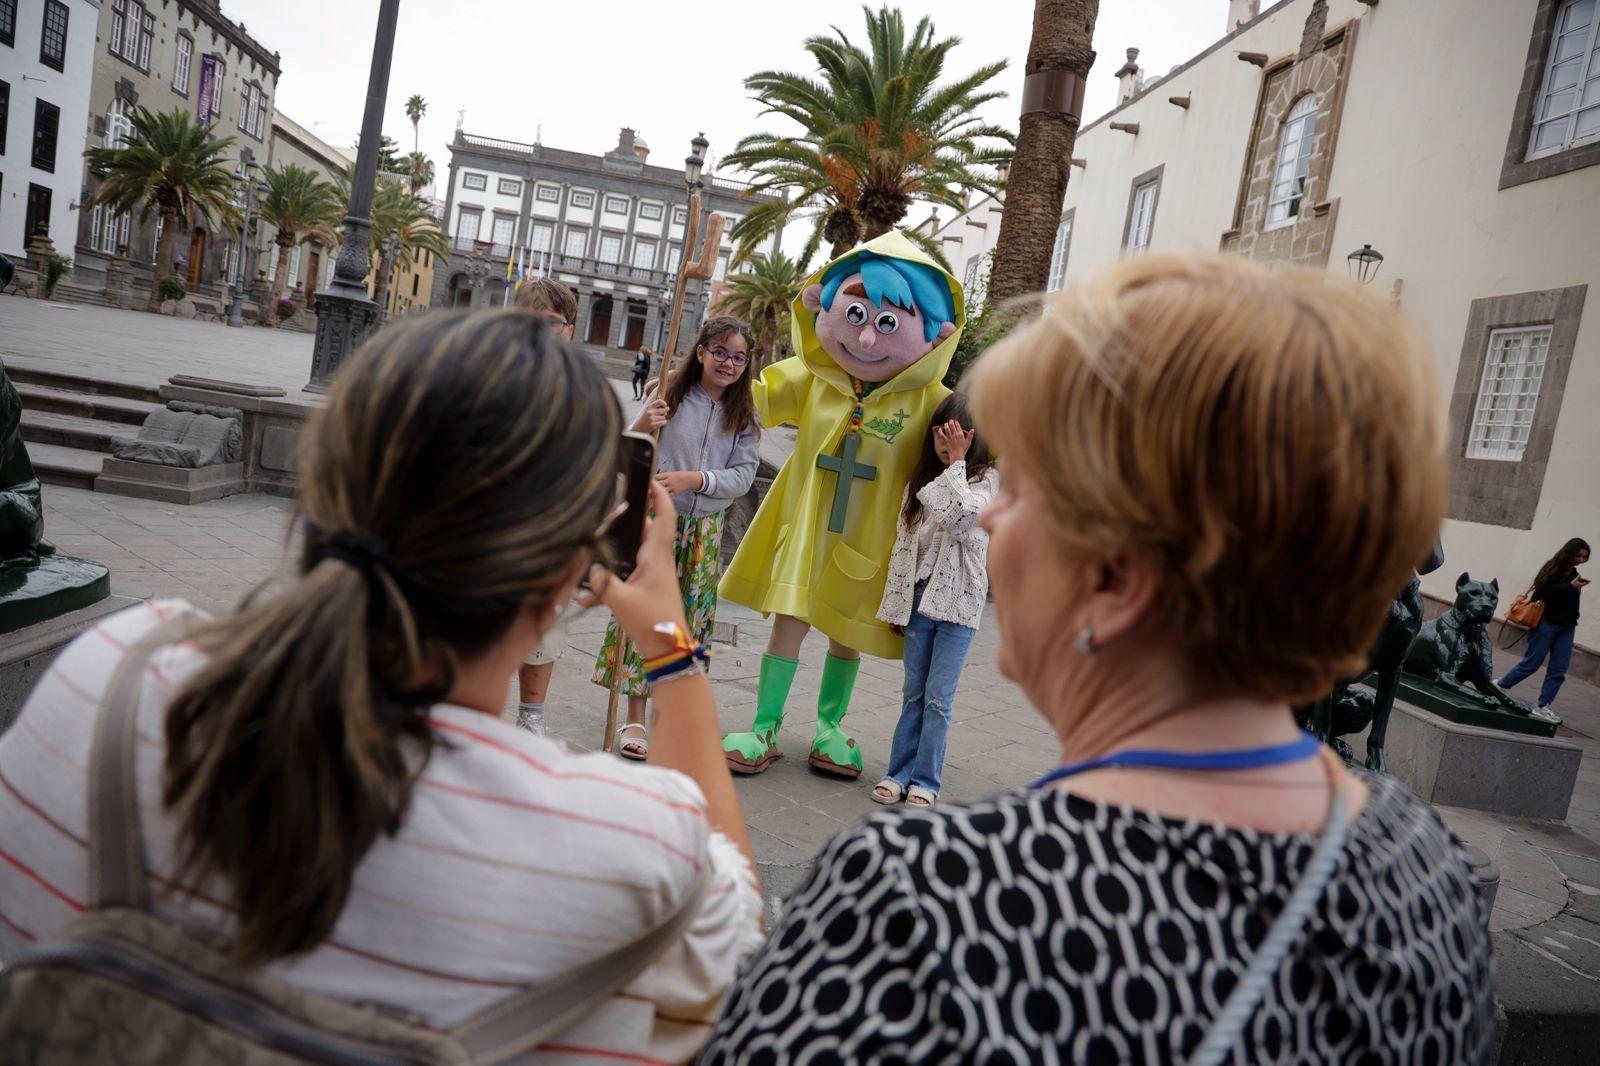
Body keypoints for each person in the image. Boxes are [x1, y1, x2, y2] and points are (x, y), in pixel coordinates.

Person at [703, 254, 1496, 1063]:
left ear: (1118, 579)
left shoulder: (925, 900)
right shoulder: (1428, 869)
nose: (987, 521)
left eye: (1022, 487)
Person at [0, 311, 762, 1061]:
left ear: (326, 483)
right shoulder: (634, 845)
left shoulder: (114, 670)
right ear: (568, 573)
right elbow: (750, 955)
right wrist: (670, 647)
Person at [595, 316, 760, 760]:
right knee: (643, 613)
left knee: (688, 623)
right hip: (655, 523)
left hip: (705, 531)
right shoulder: (666, 395)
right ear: (701, 351)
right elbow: (624, 451)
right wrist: (644, 423)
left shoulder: (744, 413)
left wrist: (696, 479)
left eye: (739, 357)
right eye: (720, 352)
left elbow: (743, 475)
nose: (728, 363)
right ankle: (634, 716)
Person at [870, 392, 997, 809]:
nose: (946, 444)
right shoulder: (919, 483)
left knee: (939, 699)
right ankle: (897, 773)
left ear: (973, 438)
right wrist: (897, 603)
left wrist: (957, 464)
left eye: (956, 436)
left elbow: (962, 520)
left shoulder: (988, 482)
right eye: (941, 434)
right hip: (920, 599)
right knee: (913, 693)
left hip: (959, 605)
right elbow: (905, 550)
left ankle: (926, 780)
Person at [509, 276, 580, 734]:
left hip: (552, 521)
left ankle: (530, 718)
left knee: (544, 623)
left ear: (569, 328)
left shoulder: (579, 385)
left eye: (552, 323)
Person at [1498, 537, 1589, 713]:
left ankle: (1543, 705)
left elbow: (1570, 600)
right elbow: (1541, 595)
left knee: (1558, 669)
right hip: (1546, 624)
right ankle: (1501, 684)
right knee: (1532, 663)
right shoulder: (1552, 569)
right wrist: (1569, 587)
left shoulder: (1574, 573)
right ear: (1570, 552)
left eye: (1584, 557)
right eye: (1578, 555)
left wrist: (1574, 598)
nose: (1581, 560)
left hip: (1567, 626)